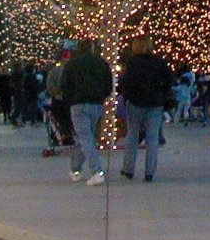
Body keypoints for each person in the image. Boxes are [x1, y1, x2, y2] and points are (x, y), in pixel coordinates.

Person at [120, 36, 172, 182]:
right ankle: (149, 171)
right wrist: (162, 94)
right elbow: (169, 79)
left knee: (132, 135)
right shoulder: (159, 62)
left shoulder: (132, 62)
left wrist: (127, 97)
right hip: (155, 103)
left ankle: (128, 169)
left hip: (136, 102)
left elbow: (126, 82)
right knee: (152, 137)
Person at [60, 41, 113, 186]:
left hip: (78, 104)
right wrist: (103, 96)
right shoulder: (101, 63)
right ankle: (75, 168)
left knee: (84, 137)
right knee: (86, 137)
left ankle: (96, 171)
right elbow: (109, 83)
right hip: (96, 103)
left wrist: (68, 99)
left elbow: (64, 84)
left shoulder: (72, 64)